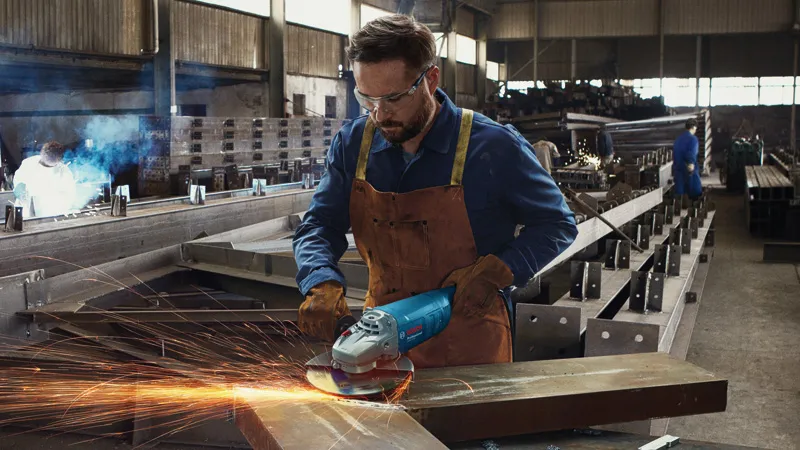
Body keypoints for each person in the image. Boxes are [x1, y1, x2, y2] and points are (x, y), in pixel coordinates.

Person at [292, 14, 578, 370]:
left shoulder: (492, 148)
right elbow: (319, 225)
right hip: (379, 345)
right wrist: (319, 280)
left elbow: (558, 224)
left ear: (430, 78)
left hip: (472, 345)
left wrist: (500, 270)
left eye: (394, 98)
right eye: (367, 99)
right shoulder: (353, 144)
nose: (380, 115)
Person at [13, 141, 77, 218]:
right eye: (48, 158)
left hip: (51, 214)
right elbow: (18, 182)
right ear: (42, 153)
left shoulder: (64, 171)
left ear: (59, 159)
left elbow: (70, 195)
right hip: (26, 213)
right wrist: (20, 192)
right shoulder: (29, 163)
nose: (47, 164)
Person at [673, 118, 703, 202]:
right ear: (693, 127)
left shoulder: (678, 139)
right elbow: (691, 153)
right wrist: (691, 164)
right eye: (696, 128)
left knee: (679, 194)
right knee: (695, 192)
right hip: (688, 169)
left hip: (678, 169)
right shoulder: (693, 139)